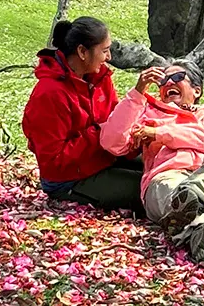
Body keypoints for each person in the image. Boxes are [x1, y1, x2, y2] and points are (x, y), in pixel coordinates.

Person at [100, 61, 204, 262]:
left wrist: (160, 134)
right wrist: (137, 93)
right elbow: (111, 142)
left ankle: (193, 198)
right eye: (163, 80)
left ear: (197, 90)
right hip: (169, 178)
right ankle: (199, 234)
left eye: (177, 77)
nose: (168, 83)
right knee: (170, 188)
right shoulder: (148, 115)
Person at [22, 17, 144, 214]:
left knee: (161, 164)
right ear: (82, 52)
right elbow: (53, 161)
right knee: (149, 189)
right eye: (104, 51)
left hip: (102, 158)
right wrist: (101, 132)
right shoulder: (49, 93)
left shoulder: (100, 78)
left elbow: (116, 121)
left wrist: (134, 137)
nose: (109, 57)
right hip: (68, 178)